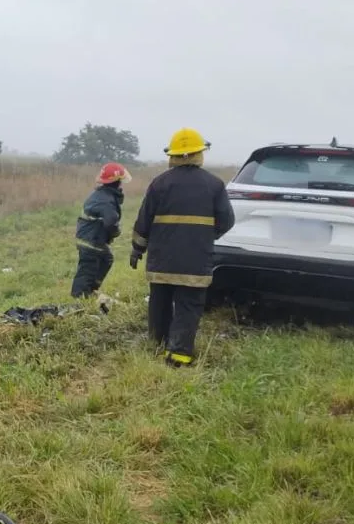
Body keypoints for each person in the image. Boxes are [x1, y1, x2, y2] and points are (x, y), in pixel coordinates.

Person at [129, 128, 235, 367]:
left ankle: (157, 344)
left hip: (162, 261)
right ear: (199, 154)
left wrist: (137, 249)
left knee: (159, 303)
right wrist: (206, 236)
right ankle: (179, 355)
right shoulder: (214, 185)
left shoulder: (159, 183)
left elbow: (143, 221)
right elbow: (227, 221)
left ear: (173, 155)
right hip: (195, 262)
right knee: (189, 307)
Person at [71, 162, 131, 298]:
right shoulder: (106, 200)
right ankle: (79, 297)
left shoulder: (103, 195)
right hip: (91, 240)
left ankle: (91, 290)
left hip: (92, 237)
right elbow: (111, 222)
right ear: (117, 182)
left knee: (107, 259)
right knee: (87, 269)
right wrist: (116, 232)